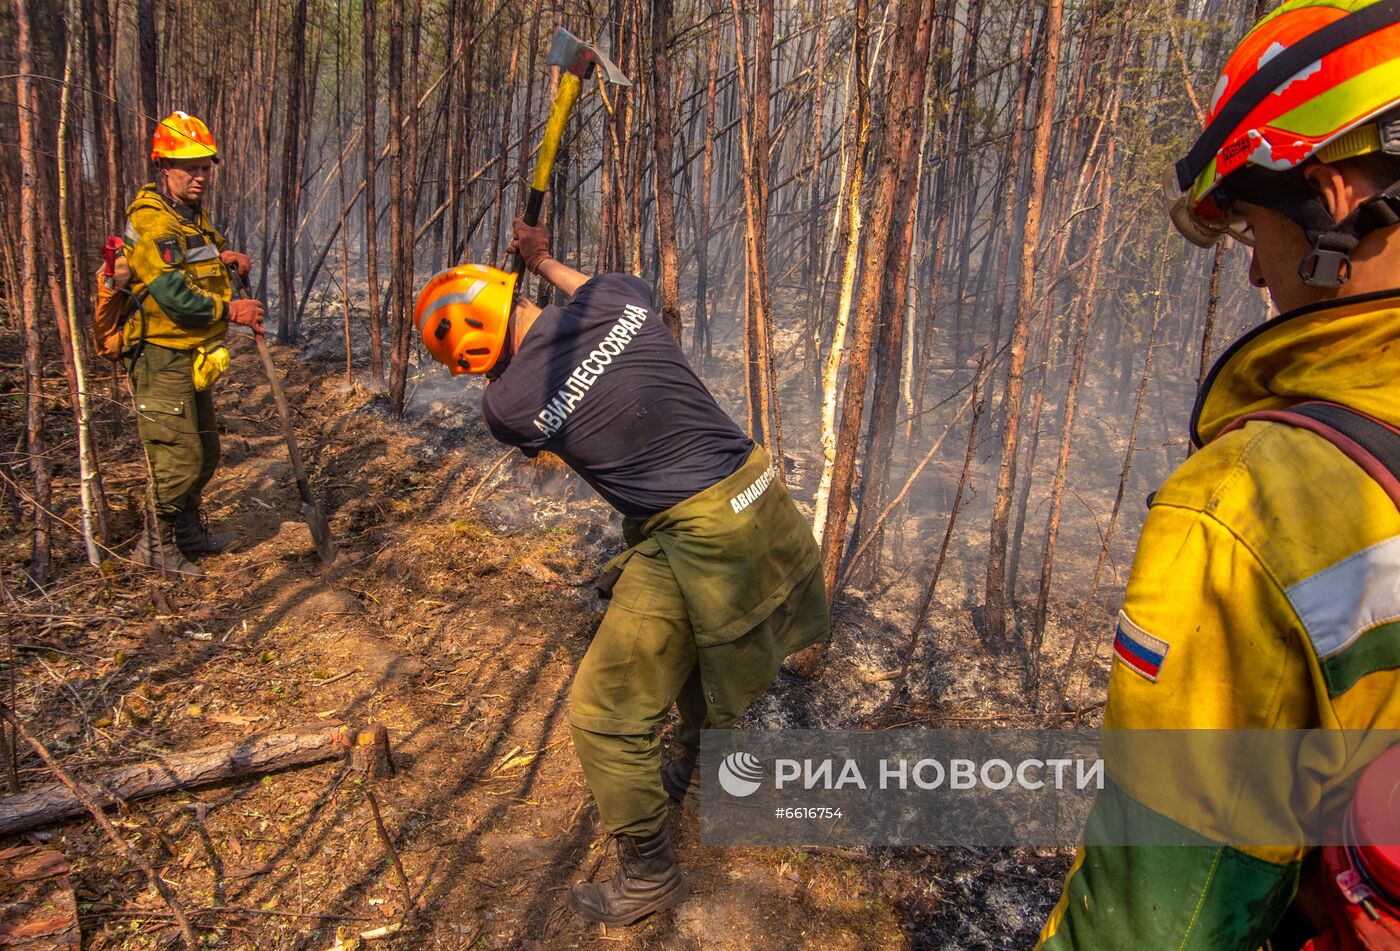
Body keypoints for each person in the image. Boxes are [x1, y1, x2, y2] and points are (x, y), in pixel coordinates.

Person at [1038, 0, 1400, 947]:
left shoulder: (1249, 509)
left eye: (1247, 230)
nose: (1254, 277)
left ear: (1328, 201)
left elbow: (1152, 925)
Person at [412, 220, 829, 925]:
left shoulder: (508, 407)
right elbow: (587, 296)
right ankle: (692, 771)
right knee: (696, 656)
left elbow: (527, 395)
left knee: (605, 712)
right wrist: (542, 261)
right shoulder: (617, 302)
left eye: (478, 366)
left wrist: (510, 353)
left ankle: (650, 875)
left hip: (702, 535)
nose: (483, 378)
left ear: (478, 359)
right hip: (764, 501)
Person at [123, 111, 266, 577]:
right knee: (176, 457)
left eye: (206, 166)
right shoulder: (152, 220)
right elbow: (171, 293)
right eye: (191, 166)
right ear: (165, 166)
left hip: (192, 354)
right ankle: (155, 546)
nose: (201, 175)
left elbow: (192, 261)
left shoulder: (188, 215)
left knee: (205, 452)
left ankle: (187, 536)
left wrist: (226, 258)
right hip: (161, 356)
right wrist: (232, 311)